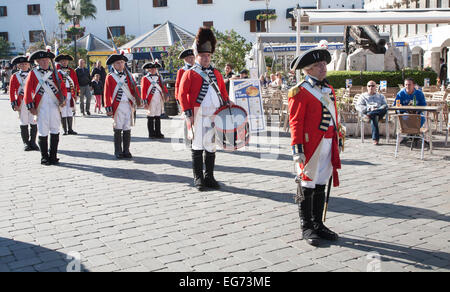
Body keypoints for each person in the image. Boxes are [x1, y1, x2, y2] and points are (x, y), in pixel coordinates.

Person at [289, 46, 343, 247]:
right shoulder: (300, 91)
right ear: (308, 70)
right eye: (318, 65)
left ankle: (318, 223)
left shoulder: (329, 89)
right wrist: (297, 149)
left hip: (329, 143)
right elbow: (295, 122)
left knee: (321, 183)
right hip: (311, 146)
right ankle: (307, 227)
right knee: (307, 184)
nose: (323, 68)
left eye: (324, 64)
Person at [179, 27, 229, 192]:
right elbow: (181, 94)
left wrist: (228, 105)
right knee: (197, 145)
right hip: (198, 114)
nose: (206, 58)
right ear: (196, 56)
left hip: (214, 116)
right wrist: (188, 114)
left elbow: (223, 92)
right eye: (203, 56)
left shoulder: (217, 73)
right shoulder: (190, 73)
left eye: (208, 55)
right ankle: (198, 177)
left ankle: (210, 176)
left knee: (211, 146)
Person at [24, 48, 67, 165]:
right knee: (43, 131)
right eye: (41, 60)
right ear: (37, 62)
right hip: (41, 106)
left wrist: (63, 99)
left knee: (55, 129)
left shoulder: (55, 74)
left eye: (46, 60)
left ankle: (53, 156)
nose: (44, 62)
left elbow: (62, 88)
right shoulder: (33, 73)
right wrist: (30, 106)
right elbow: (27, 91)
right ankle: (44, 157)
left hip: (54, 105)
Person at [104, 52, 139, 159]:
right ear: (114, 65)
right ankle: (118, 151)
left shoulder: (129, 76)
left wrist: (138, 99)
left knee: (127, 127)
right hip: (117, 105)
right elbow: (107, 93)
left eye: (122, 62)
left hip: (128, 104)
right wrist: (108, 107)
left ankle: (126, 150)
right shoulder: (110, 77)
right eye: (118, 63)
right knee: (118, 127)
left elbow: (134, 89)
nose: (121, 65)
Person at [9, 54, 39, 151]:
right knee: (23, 122)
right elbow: (11, 91)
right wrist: (14, 104)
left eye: (25, 64)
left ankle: (33, 142)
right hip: (21, 102)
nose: (24, 66)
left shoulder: (34, 74)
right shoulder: (15, 76)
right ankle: (26, 143)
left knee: (34, 121)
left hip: (32, 100)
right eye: (21, 64)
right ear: (18, 66)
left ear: (29, 65)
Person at [141, 61, 169, 139]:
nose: (153, 70)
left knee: (157, 116)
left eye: (154, 68)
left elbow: (163, 87)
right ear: (148, 70)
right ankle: (151, 133)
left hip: (159, 98)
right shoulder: (145, 78)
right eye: (151, 68)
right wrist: (144, 101)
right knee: (150, 116)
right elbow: (143, 90)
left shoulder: (159, 77)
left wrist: (166, 94)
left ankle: (158, 132)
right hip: (151, 99)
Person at [355, 81, 388, 145]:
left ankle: (372, 113)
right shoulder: (363, 96)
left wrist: (377, 109)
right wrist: (369, 108)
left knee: (385, 107)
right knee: (374, 117)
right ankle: (375, 139)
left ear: (376, 87)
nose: (371, 87)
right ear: (367, 87)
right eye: (369, 86)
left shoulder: (380, 96)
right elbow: (358, 106)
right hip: (367, 113)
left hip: (378, 112)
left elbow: (384, 105)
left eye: (373, 86)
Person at [56, 54, 79, 135]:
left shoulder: (72, 71)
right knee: (63, 111)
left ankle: (70, 129)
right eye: (62, 61)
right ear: (60, 62)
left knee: (69, 111)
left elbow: (75, 82)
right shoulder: (57, 71)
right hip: (62, 94)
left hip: (71, 93)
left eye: (65, 61)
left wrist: (76, 94)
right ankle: (64, 130)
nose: (64, 62)